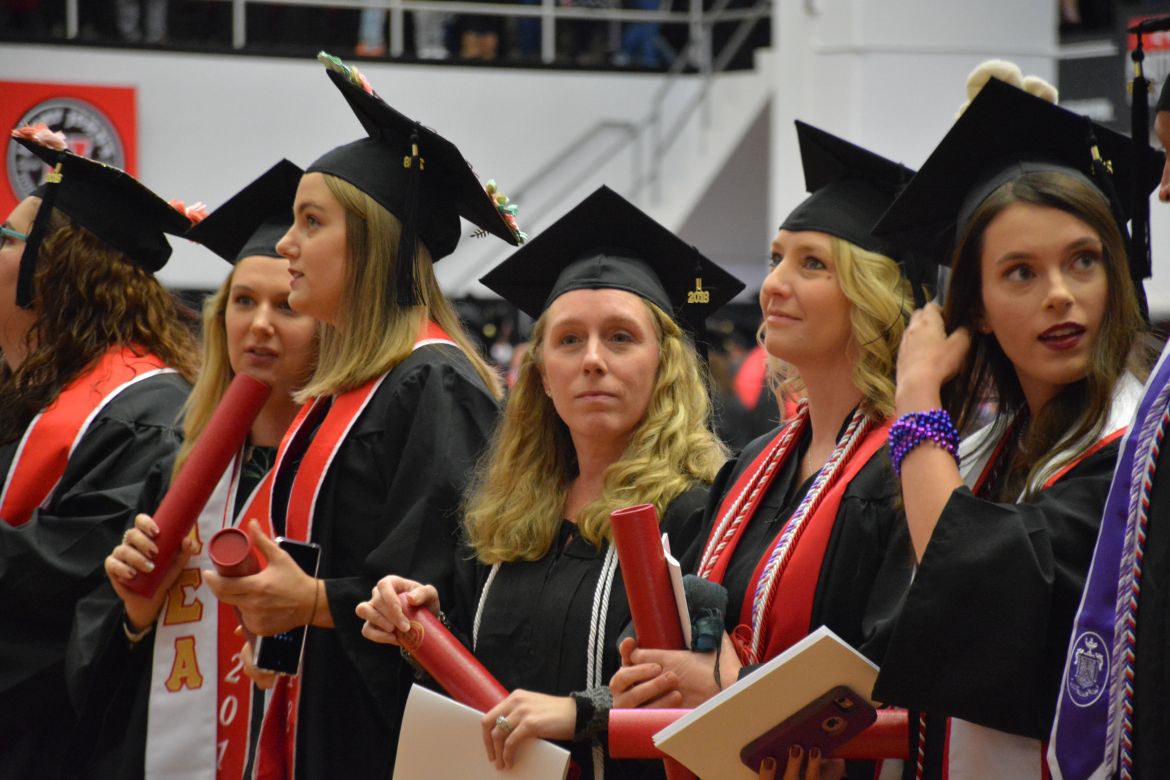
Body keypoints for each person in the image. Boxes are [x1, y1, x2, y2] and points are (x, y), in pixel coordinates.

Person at [202, 54, 522, 779]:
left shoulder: (434, 385)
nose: (286, 245)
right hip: (316, 708)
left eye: (311, 222)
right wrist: (278, 617)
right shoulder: (344, 389)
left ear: (373, 245)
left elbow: (450, 591)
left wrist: (312, 604)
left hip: (377, 744)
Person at [356, 184, 743, 778]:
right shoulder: (505, 515)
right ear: (540, 374)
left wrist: (575, 713)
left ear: (664, 365)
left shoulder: (699, 510)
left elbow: (686, 689)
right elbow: (484, 687)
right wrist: (423, 628)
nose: (592, 359)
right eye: (568, 340)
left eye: (620, 337)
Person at [607, 121, 921, 780]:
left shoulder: (905, 471)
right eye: (777, 258)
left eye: (812, 264)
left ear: (872, 297)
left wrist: (725, 688)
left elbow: (900, 687)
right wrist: (654, 672)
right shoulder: (755, 463)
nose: (773, 283)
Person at [868, 76, 1159, 778]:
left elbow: (978, 598)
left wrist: (918, 401)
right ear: (977, 309)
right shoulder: (979, 455)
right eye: (1021, 273)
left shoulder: (1140, 453)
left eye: (1083, 260)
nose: (1059, 294)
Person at [63, 160, 317, 779]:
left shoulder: (332, 473)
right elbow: (98, 687)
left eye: (286, 305)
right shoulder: (178, 467)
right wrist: (134, 612)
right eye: (243, 301)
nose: (259, 324)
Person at [0, 128, 198, 777]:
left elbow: (64, 594)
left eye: (8, 239)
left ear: (55, 271)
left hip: (58, 747)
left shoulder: (146, 415)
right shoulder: (26, 391)